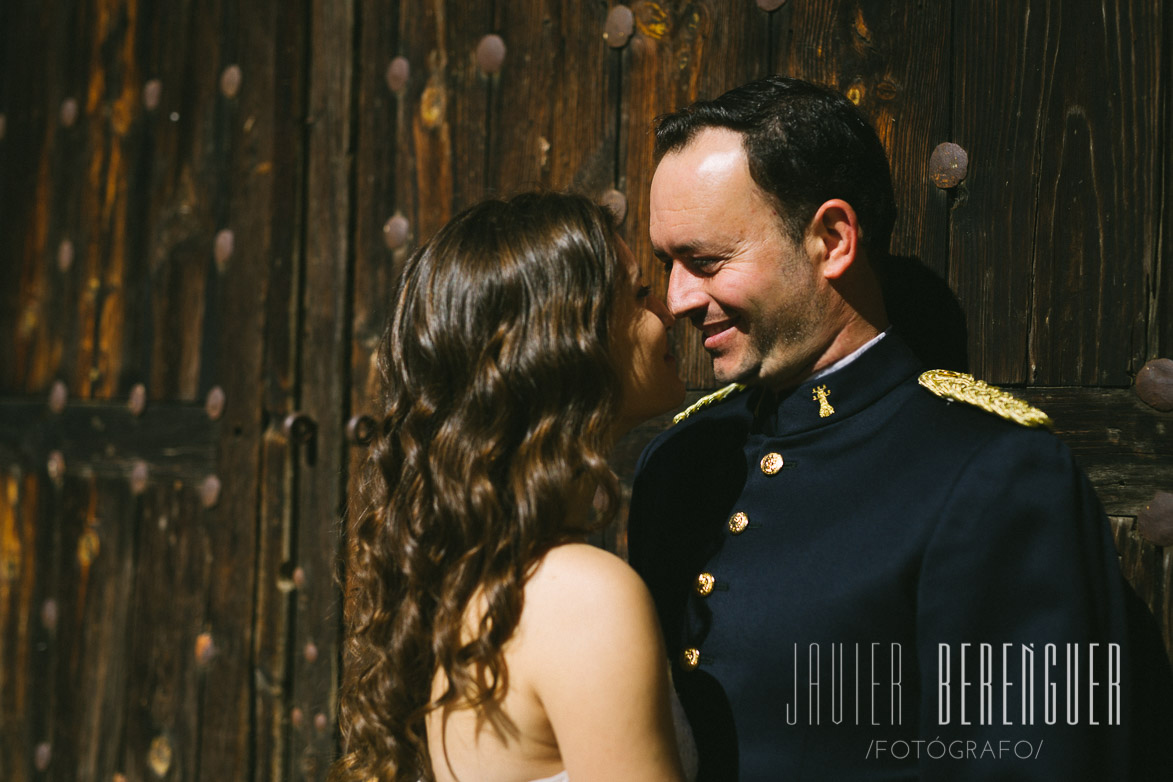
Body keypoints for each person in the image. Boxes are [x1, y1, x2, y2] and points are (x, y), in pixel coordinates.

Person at [627, 76, 1171, 780]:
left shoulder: (994, 476)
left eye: (704, 261)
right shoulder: (681, 461)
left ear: (831, 239)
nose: (676, 299)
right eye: (666, 264)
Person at [331, 192, 697, 782]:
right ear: (567, 343)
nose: (669, 309)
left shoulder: (478, 584)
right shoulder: (582, 596)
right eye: (637, 295)